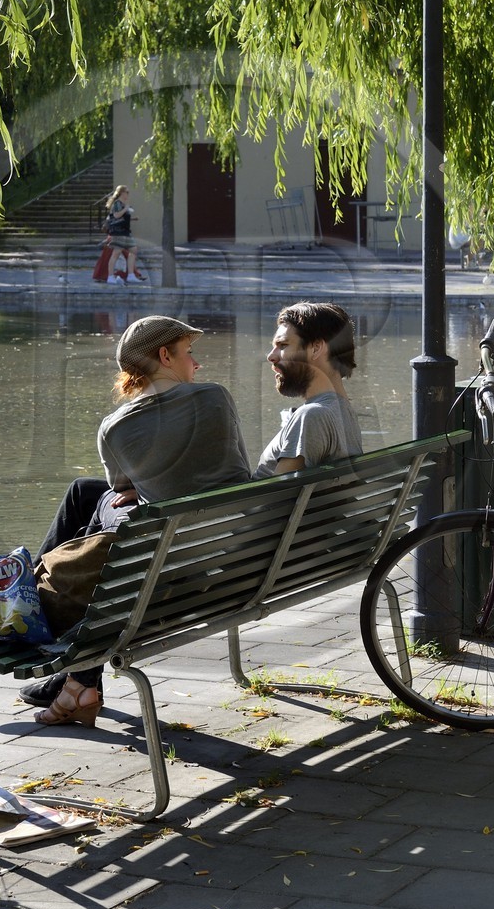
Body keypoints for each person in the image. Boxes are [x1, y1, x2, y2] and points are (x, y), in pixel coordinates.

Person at [22, 316, 251, 727]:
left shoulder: (114, 427)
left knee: (94, 501)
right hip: (229, 554)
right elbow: (235, 472)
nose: (196, 363)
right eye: (189, 353)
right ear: (165, 356)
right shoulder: (217, 397)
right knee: (86, 494)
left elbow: (122, 488)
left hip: (172, 565)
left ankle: (36, 612)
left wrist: (147, 488)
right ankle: (76, 676)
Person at [256, 302, 363, 474]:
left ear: (316, 348)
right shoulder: (345, 413)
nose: (271, 356)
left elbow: (278, 489)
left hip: (243, 492)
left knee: (216, 395)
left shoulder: (311, 416)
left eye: (283, 345)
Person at [103, 184, 143, 284]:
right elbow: (116, 216)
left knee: (133, 250)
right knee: (116, 253)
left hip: (125, 232)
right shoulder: (117, 203)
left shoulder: (122, 204)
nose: (128, 194)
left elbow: (122, 218)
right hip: (118, 232)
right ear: (121, 193)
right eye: (127, 192)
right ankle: (110, 277)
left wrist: (132, 218)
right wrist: (126, 208)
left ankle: (131, 275)